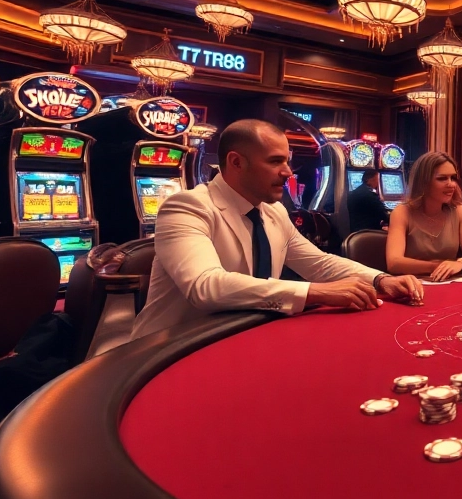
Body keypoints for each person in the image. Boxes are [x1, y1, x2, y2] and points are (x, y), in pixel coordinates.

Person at [132, 120, 422, 339]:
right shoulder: (186, 207)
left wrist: (380, 280)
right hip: (169, 349)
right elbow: (205, 287)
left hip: (237, 336)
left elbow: (319, 263)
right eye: (275, 161)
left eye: (287, 161)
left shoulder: (273, 211)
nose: (288, 172)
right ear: (236, 162)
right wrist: (314, 293)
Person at [386, 151, 462, 282]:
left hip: (446, 283)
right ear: (423, 182)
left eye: (453, 178)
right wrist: (437, 266)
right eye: (442, 178)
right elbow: (394, 263)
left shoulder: (459, 211)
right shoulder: (402, 212)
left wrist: (460, 264)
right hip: (412, 285)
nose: (451, 184)